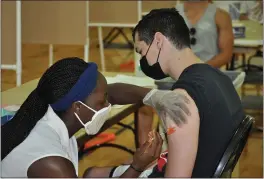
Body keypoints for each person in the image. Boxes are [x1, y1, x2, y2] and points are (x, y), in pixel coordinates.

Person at [87, 8, 244, 177]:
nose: (143, 61)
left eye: (141, 51)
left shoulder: (180, 101)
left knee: (91, 174)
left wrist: (138, 168)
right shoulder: (221, 79)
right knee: (94, 173)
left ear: (159, 41)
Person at [1, 57, 191, 177]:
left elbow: (111, 92)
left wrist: (153, 96)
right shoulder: (52, 163)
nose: (108, 106)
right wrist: (136, 167)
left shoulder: (52, 112)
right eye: (102, 103)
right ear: (77, 107)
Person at [136, 0, 235, 149]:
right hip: (170, 74)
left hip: (202, 75)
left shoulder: (220, 15)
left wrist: (197, 71)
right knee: (144, 103)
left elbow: (226, 54)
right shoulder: (173, 13)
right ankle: (146, 152)